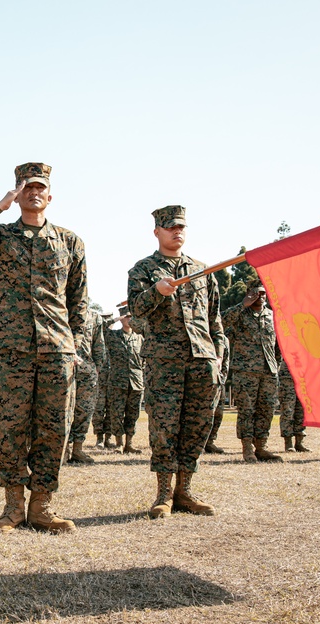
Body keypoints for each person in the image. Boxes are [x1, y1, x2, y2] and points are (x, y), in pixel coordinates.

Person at [0, 162, 88, 534]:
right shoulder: (1, 236)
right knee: (11, 428)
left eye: (39, 186)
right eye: (26, 187)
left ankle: (42, 505)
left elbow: (79, 300)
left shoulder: (70, 242)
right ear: (18, 192)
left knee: (54, 429)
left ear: (50, 194)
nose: (33, 193)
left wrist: (76, 346)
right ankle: (13, 506)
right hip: (11, 348)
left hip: (57, 348)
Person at [128, 205, 222, 519]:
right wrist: (156, 291)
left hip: (201, 359)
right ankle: (164, 494)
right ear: (157, 232)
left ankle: (185, 491)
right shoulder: (143, 269)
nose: (176, 232)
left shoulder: (202, 270)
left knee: (196, 427)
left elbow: (215, 321)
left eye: (181, 227)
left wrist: (218, 356)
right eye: (170, 228)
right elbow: (137, 311)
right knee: (164, 428)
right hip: (163, 361)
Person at [223, 279, 282, 463]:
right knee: (247, 410)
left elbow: (278, 343)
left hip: (268, 370)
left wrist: (276, 364)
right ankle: (247, 448)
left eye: (264, 293)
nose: (261, 296)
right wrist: (242, 305)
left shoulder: (272, 315)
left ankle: (261, 447)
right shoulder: (240, 313)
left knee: (267, 409)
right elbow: (221, 322)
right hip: (245, 370)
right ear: (249, 293)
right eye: (257, 292)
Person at [66, 307, 107, 464]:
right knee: (64, 410)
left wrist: (97, 367)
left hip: (87, 370)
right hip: (65, 369)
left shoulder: (95, 317)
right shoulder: (62, 309)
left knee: (85, 410)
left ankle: (78, 449)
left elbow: (99, 343)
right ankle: (64, 450)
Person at [106, 307, 145, 455]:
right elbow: (101, 326)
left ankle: (129, 443)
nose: (129, 319)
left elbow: (144, 361)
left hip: (136, 381)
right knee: (116, 413)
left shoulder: (140, 337)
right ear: (122, 318)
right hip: (117, 381)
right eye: (126, 316)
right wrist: (115, 318)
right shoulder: (113, 336)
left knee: (133, 414)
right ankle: (119, 443)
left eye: (131, 316)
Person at [277, 349, 309, 453]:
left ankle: (299, 442)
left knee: (302, 411)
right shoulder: (287, 334)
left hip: (304, 376)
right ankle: (288, 442)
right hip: (287, 376)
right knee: (288, 410)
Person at [203, 332, 230, 454]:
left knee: (218, 413)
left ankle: (210, 442)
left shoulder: (224, 340)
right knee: (203, 413)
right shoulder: (202, 336)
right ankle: (200, 442)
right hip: (203, 382)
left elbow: (226, 362)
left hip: (219, 381)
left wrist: (222, 378)